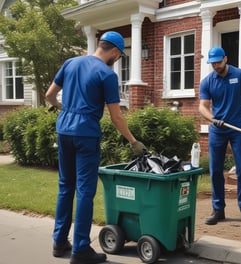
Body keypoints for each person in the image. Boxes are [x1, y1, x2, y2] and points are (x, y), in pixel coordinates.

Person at [45, 31, 146, 264]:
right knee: (84, 191)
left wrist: (64, 109)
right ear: (114, 51)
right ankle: (80, 248)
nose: (117, 60)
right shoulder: (106, 74)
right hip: (86, 134)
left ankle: (59, 242)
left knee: (65, 187)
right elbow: (116, 117)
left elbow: (50, 95)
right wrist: (133, 141)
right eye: (119, 56)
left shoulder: (70, 63)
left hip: (64, 131)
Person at [199, 46, 241, 226]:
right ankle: (218, 209)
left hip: (238, 129)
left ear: (226, 59)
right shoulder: (207, 81)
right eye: (213, 63)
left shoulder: (240, 75)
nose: (216, 65)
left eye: (218, 62)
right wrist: (213, 119)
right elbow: (202, 106)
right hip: (217, 131)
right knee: (215, 171)